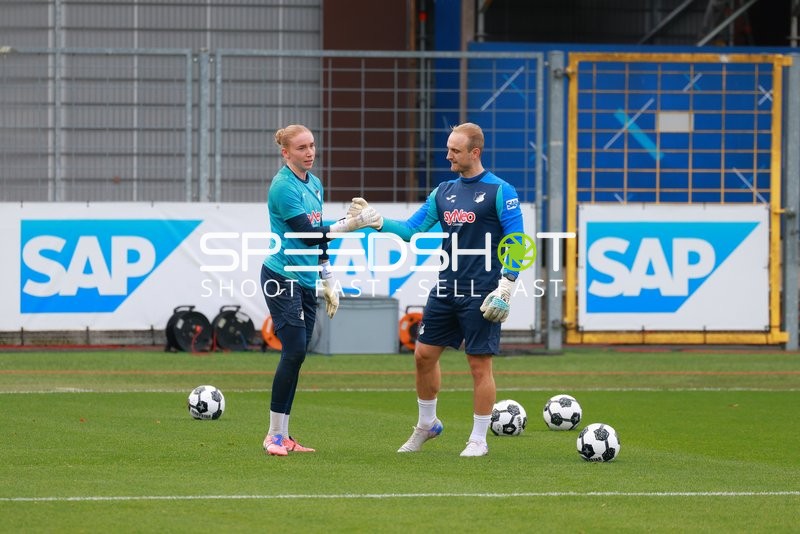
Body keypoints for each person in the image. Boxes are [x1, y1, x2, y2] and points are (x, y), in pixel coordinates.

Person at [348, 122, 524, 457]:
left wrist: (507, 285)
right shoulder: (443, 191)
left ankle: (478, 440)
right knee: (423, 356)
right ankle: (427, 425)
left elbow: (517, 241)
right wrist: (376, 220)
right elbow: (411, 230)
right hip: (445, 288)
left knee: (479, 365)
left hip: (482, 290)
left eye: (455, 151)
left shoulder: (502, 190)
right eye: (448, 149)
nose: (448, 156)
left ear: (475, 152)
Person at [261, 124, 381, 456]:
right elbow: (308, 234)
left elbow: (318, 238)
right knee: (295, 350)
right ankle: (273, 435)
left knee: (297, 355)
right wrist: (350, 224)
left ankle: (283, 436)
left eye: (312, 145)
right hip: (281, 274)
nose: (310, 152)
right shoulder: (282, 187)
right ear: (286, 153)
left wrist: (327, 276)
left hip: (305, 277)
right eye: (301, 148)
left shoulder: (314, 183)